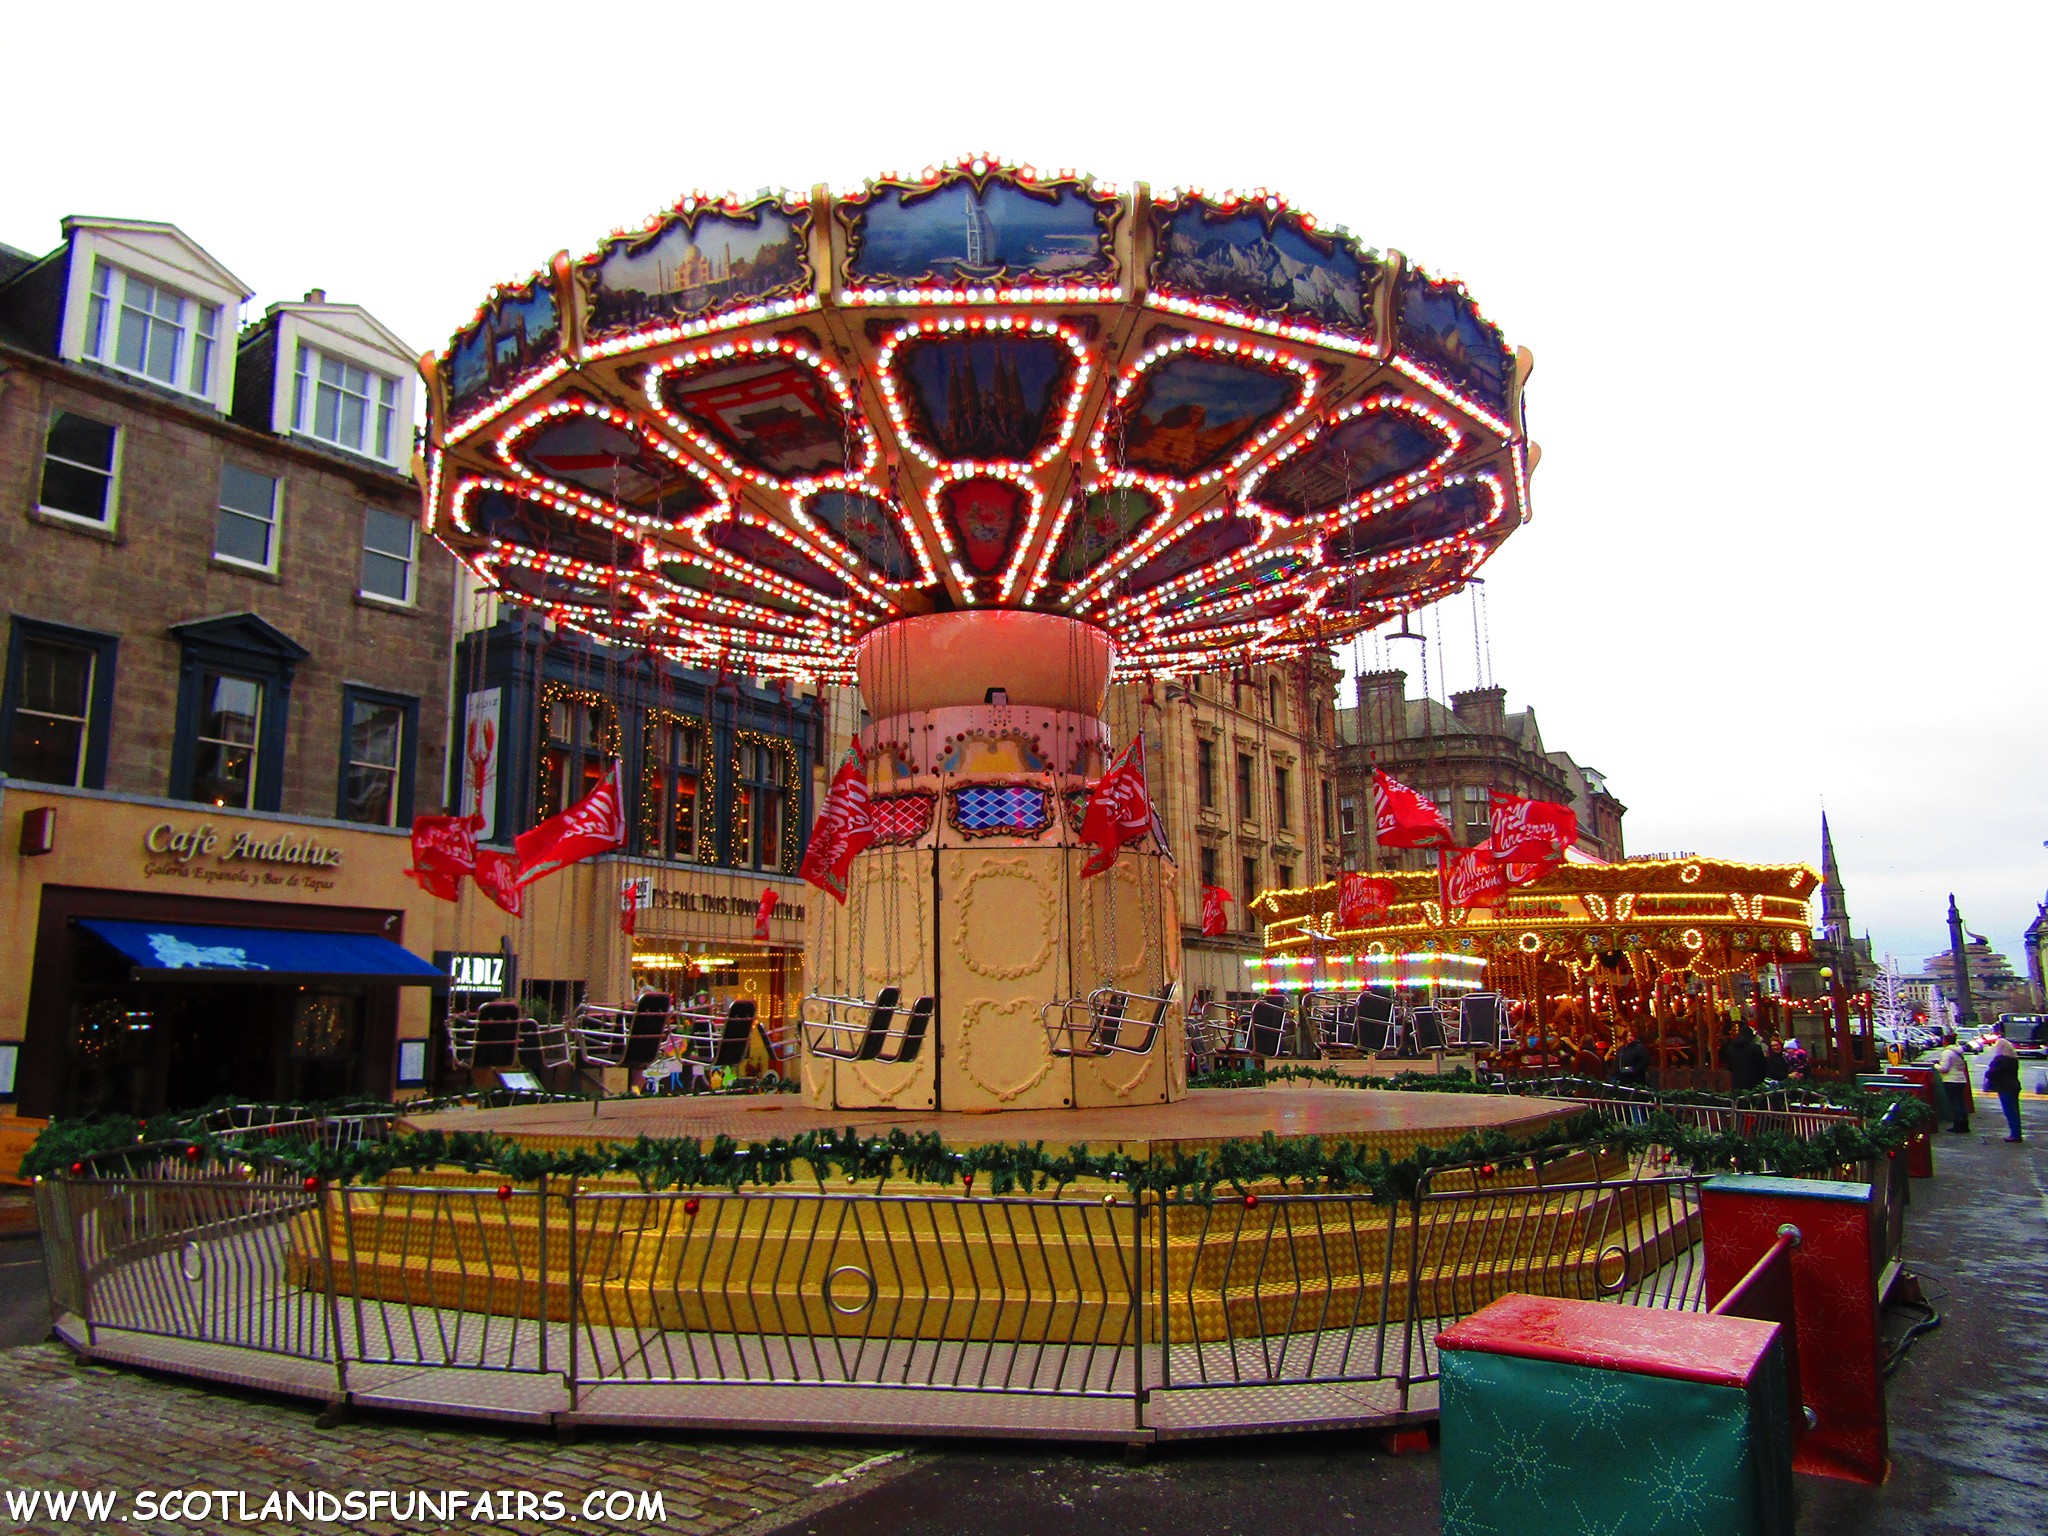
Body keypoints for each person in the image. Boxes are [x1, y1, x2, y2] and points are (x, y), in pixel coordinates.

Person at [1981, 1022, 2023, 1143]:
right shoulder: (2013, 1059)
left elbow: (1991, 1073)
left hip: (2005, 1087)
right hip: (2013, 1086)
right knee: (2014, 1110)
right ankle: (2016, 1132)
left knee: (2009, 1111)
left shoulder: (2001, 1060)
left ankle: (2015, 1134)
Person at [1933, 1030, 1971, 1133]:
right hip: (1961, 1079)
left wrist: (1935, 1065)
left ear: (1946, 1041)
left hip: (1951, 1080)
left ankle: (1958, 1125)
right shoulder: (1959, 1051)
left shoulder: (1947, 1053)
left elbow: (1944, 1068)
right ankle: (1965, 1124)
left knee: (1954, 1103)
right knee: (1961, 1102)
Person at [1721, 1023, 1768, 1093]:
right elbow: (1762, 1066)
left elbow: (1729, 1065)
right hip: (1754, 1082)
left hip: (1737, 1081)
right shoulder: (1755, 1048)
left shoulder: (1730, 1048)